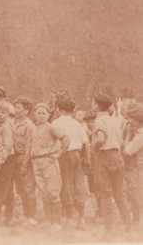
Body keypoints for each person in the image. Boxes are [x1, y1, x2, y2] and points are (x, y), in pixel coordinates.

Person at [91, 93, 132, 238]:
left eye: (93, 102)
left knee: (105, 195)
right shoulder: (114, 120)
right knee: (120, 194)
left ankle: (108, 233)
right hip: (117, 156)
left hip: (104, 157)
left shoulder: (100, 120)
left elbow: (100, 139)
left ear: (96, 105)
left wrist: (93, 148)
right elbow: (121, 142)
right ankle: (130, 230)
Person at [23, 103, 69, 231]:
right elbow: (28, 146)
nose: (41, 115)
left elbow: (65, 138)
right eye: (39, 113)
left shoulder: (51, 127)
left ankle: (56, 222)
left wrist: (59, 153)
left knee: (52, 191)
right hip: (36, 162)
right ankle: (48, 221)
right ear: (34, 115)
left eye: (44, 113)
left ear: (48, 115)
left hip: (49, 161)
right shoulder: (31, 128)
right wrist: (26, 162)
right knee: (43, 192)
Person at [51, 98, 90, 229]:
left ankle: (68, 217)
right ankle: (81, 218)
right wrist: (87, 158)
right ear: (72, 111)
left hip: (64, 155)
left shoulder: (55, 123)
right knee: (78, 184)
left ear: (59, 109)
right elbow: (86, 143)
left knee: (65, 184)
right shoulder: (77, 124)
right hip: (77, 155)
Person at [0, 101, 16, 226]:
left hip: (6, 160)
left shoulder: (7, 127)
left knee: (5, 187)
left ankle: (8, 216)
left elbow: (7, 146)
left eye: (3, 113)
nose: (0, 115)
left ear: (7, 114)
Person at [13, 97, 37, 225]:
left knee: (29, 189)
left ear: (26, 111)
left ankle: (31, 217)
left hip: (24, 158)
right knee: (20, 189)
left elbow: (29, 146)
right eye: (16, 107)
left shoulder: (29, 126)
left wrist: (25, 163)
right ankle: (24, 214)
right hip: (14, 158)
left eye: (19, 108)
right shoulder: (14, 123)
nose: (16, 110)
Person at [123, 102, 143, 231]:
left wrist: (128, 135)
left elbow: (127, 151)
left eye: (131, 119)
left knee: (135, 192)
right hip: (137, 166)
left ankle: (137, 219)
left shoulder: (140, 135)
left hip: (138, 167)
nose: (129, 121)